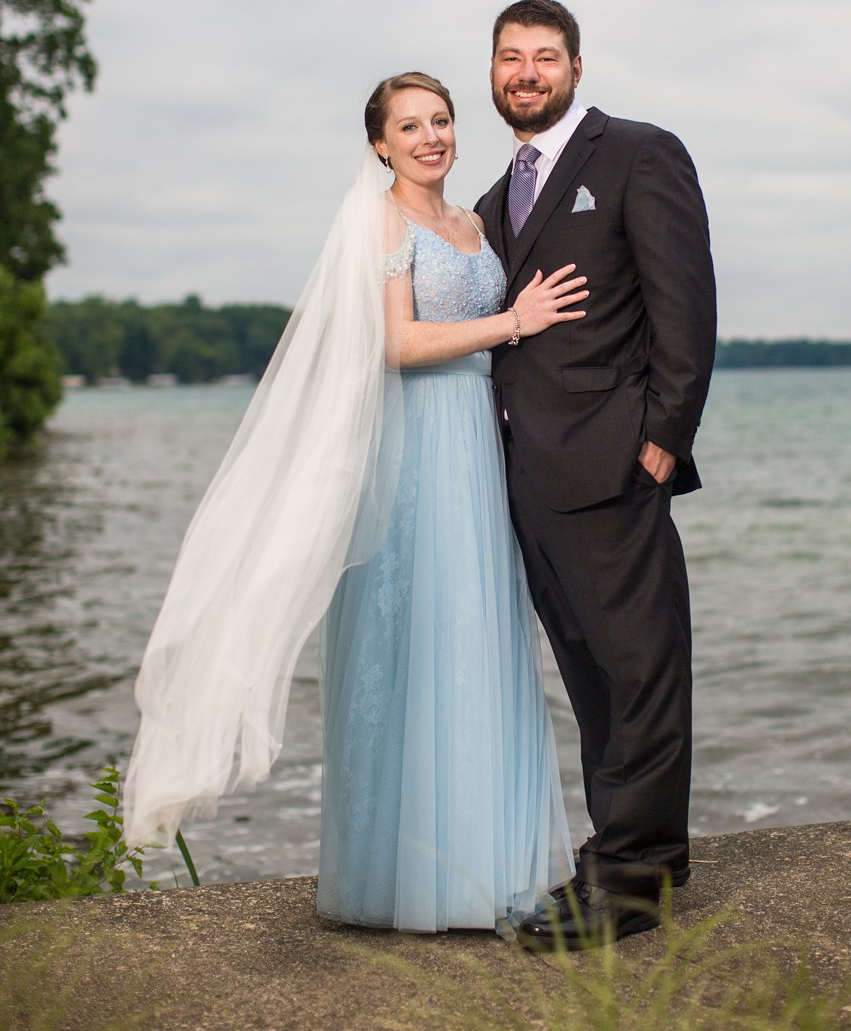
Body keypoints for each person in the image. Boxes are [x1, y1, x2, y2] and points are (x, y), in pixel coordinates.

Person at [124, 71, 584, 936]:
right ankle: (401, 877)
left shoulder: (474, 224)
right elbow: (399, 344)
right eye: (409, 126)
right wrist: (515, 321)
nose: (430, 137)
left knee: (478, 642)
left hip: (477, 451)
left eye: (440, 120)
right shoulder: (379, 218)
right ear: (380, 144)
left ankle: (486, 867)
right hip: (415, 452)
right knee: (410, 641)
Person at [475, 0, 717, 951]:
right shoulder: (498, 200)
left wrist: (663, 436)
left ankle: (635, 883)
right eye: (510, 58)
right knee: (592, 683)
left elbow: (684, 305)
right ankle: (619, 854)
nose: (527, 73)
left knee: (641, 671)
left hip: (615, 466)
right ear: (493, 72)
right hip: (528, 481)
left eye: (545, 57)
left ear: (576, 66)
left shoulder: (638, 154)